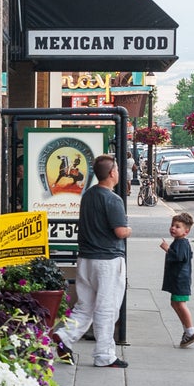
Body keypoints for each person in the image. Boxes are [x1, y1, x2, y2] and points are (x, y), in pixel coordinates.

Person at [52, 155, 132, 368]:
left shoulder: (88, 195)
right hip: (107, 260)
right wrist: (129, 229)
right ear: (113, 173)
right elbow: (120, 231)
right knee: (107, 307)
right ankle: (104, 355)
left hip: (86, 259)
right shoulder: (113, 199)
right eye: (117, 168)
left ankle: (65, 336)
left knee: (85, 305)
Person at [159, 212, 194, 348]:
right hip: (178, 279)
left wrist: (167, 249)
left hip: (181, 280)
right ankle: (187, 330)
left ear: (186, 231)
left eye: (177, 226)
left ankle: (190, 330)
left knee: (180, 304)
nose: (173, 228)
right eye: (172, 225)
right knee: (175, 303)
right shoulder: (180, 242)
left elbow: (179, 257)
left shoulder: (181, 243)